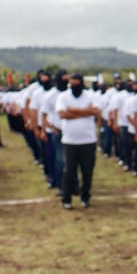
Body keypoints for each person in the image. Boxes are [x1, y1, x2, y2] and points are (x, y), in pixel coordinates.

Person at [56, 74, 100, 209]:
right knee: (69, 171)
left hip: (88, 140)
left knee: (87, 171)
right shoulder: (63, 96)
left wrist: (73, 110)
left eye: (77, 83)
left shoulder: (91, 95)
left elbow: (96, 111)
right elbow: (62, 114)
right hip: (70, 141)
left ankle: (85, 196)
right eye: (72, 83)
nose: (75, 86)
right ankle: (66, 198)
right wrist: (87, 111)